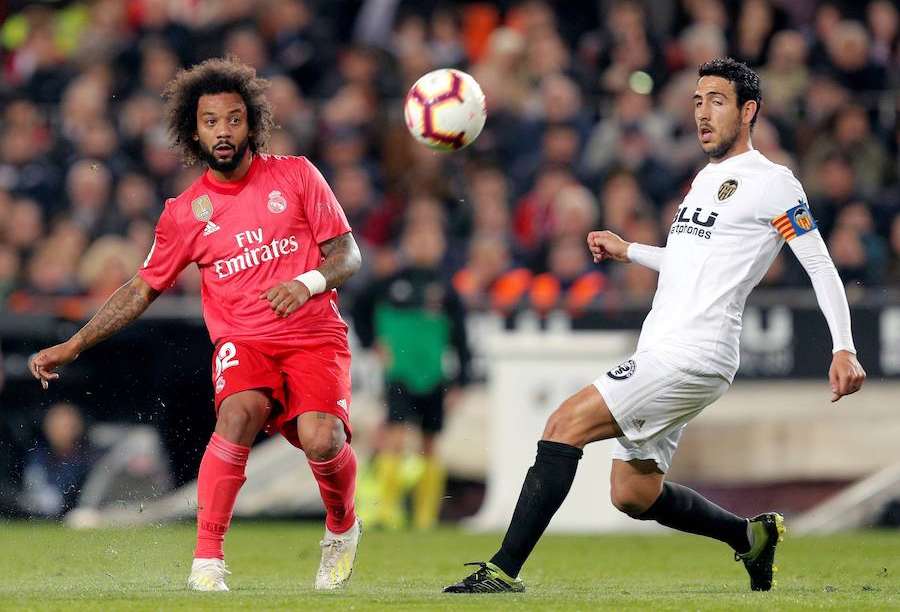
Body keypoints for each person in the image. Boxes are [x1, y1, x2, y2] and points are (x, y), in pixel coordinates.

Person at [443, 58, 866, 594]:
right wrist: (631, 251)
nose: (703, 113)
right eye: (697, 101)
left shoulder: (774, 183)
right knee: (633, 493)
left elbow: (820, 264)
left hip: (695, 351)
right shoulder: (705, 180)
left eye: (717, 100)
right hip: (667, 345)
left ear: (749, 110)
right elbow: (691, 261)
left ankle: (502, 571)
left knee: (562, 425)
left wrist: (843, 347)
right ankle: (749, 536)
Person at [29, 56, 363, 592]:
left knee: (322, 440)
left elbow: (347, 256)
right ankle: (207, 562)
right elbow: (140, 288)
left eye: (233, 118)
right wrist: (75, 343)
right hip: (243, 342)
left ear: (251, 123)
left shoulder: (298, 176)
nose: (223, 131)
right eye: (211, 121)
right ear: (194, 130)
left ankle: (343, 527)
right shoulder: (185, 212)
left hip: (312, 335)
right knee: (237, 414)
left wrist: (306, 284)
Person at [353, 221, 470, 530]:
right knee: (394, 436)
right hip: (400, 373)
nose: (425, 247)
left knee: (430, 443)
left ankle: (424, 518)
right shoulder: (389, 283)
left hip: (434, 374)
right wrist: (370, 342)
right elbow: (358, 305)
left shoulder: (447, 289)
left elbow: (462, 339)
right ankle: (389, 512)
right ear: (408, 244)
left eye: (431, 240)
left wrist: (461, 382)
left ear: (441, 246)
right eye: (419, 240)